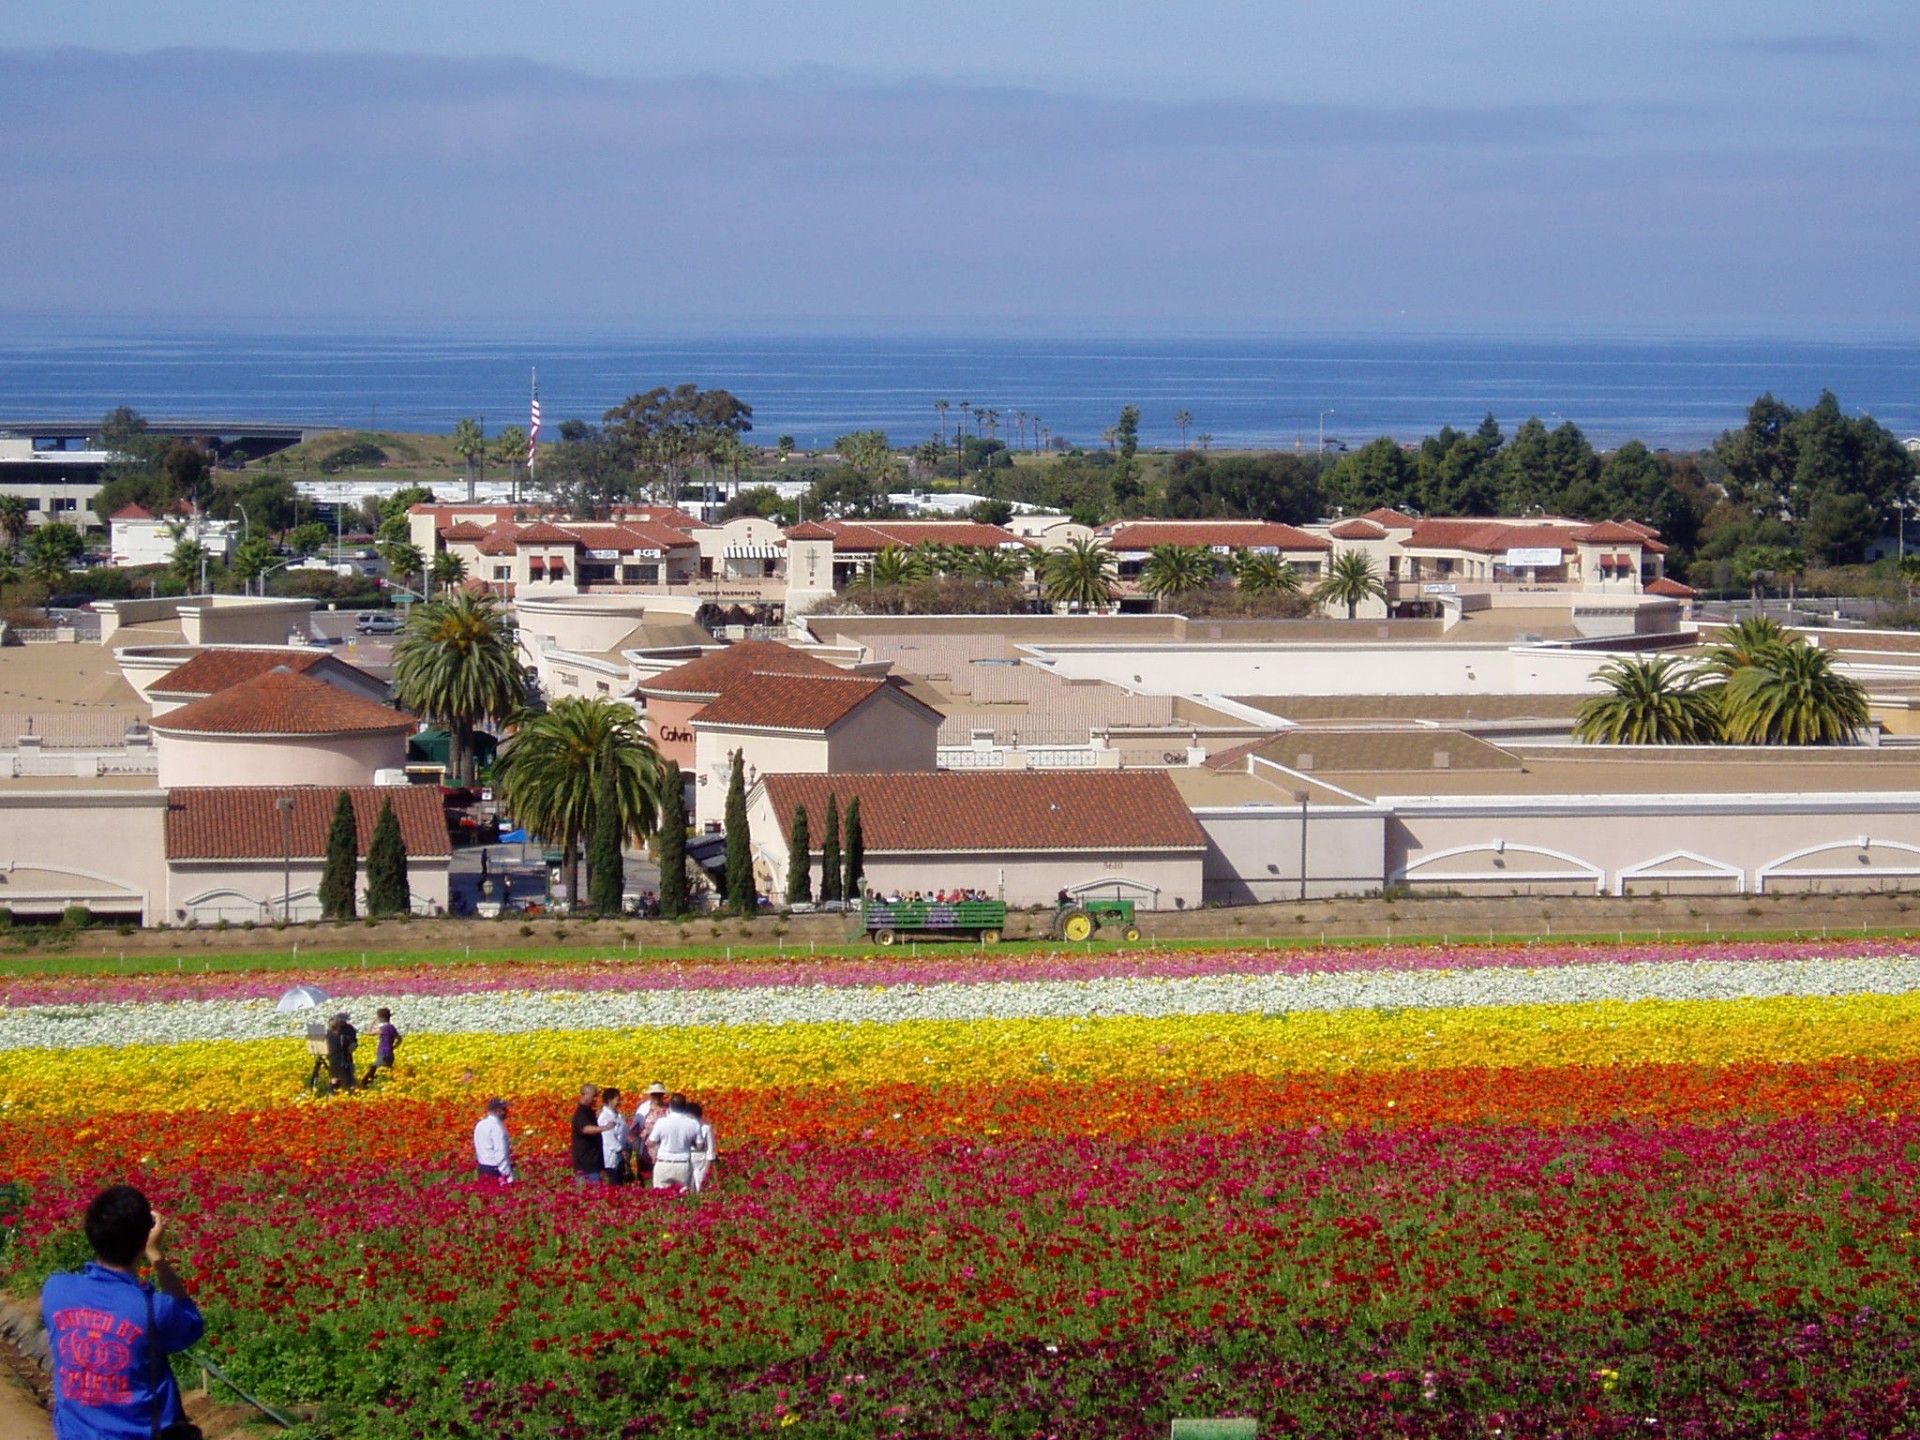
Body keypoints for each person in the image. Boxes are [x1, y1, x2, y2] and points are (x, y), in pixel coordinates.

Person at [41, 1185, 206, 1440]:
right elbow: (191, 1324)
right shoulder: (153, 1308)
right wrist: (155, 1254)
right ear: (145, 1237)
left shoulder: (56, 1290)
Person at [649, 1094, 704, 1192]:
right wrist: (690, 1142)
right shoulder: (693, 1123)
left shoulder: (661, 1122)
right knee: (683, 1197)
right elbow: (700, 1146)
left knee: (661, 1196)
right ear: (684, 1107)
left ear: (670, 1105)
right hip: (683, 1164)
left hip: (664, 1163)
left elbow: (651, 1142)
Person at [570, 1084, 607, 1185]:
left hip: (593, 1163)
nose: (596, 1099)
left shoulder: (589, 1112)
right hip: (585, 1166)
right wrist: (604, 1128)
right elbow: (585, 1129)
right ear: (584, 1095)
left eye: (597, 1096)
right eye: (593, 1096)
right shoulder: (581, 1113)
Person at [473, 1099, 514, 1182]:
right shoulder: (497, 1127)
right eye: (504, 1109)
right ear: (497, 1111)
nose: (507, 1112)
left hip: (483, 1168)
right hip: (495, 1170)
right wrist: (507, 1176)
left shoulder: (480, 1124)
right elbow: (500, 1153)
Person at [597, 1086, 629, 1185]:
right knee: (615, 1183)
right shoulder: (605, 1117)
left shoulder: (617, 1115)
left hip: (620, 1156)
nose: (619, 1102)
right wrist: (621, 1149)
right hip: (612, 1156)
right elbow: (609, 1138)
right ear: (610, 1100)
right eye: (617, 1100)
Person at [362, 1007, 401, 1085]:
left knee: (370, 1076)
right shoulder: (391, 1027)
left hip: (383, 1054)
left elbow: (369, 1033)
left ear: (381, 1018)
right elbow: (399, 1039)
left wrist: (373, 1021)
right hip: (390, 1054)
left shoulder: (383, 1028)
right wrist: (393, 1047)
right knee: (383, 1074)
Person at [688, 1101, 717, 1193]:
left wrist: (708, 1166)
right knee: (687, 1185)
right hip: (688, 1158)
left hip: (701, 1160)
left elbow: (710, 1149)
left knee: (700, 1184)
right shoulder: (685, 1127)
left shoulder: (706, 1128)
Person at [325, 1012, 358, 1093]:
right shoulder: (345, 1030)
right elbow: (350, 1044)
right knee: (345, 1080)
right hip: (341, 1058)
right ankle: (343, 1096)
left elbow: (352, 1043)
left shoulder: (332, 1030)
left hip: (337, 1058)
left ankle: (332, 1094)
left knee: (336, 1078)